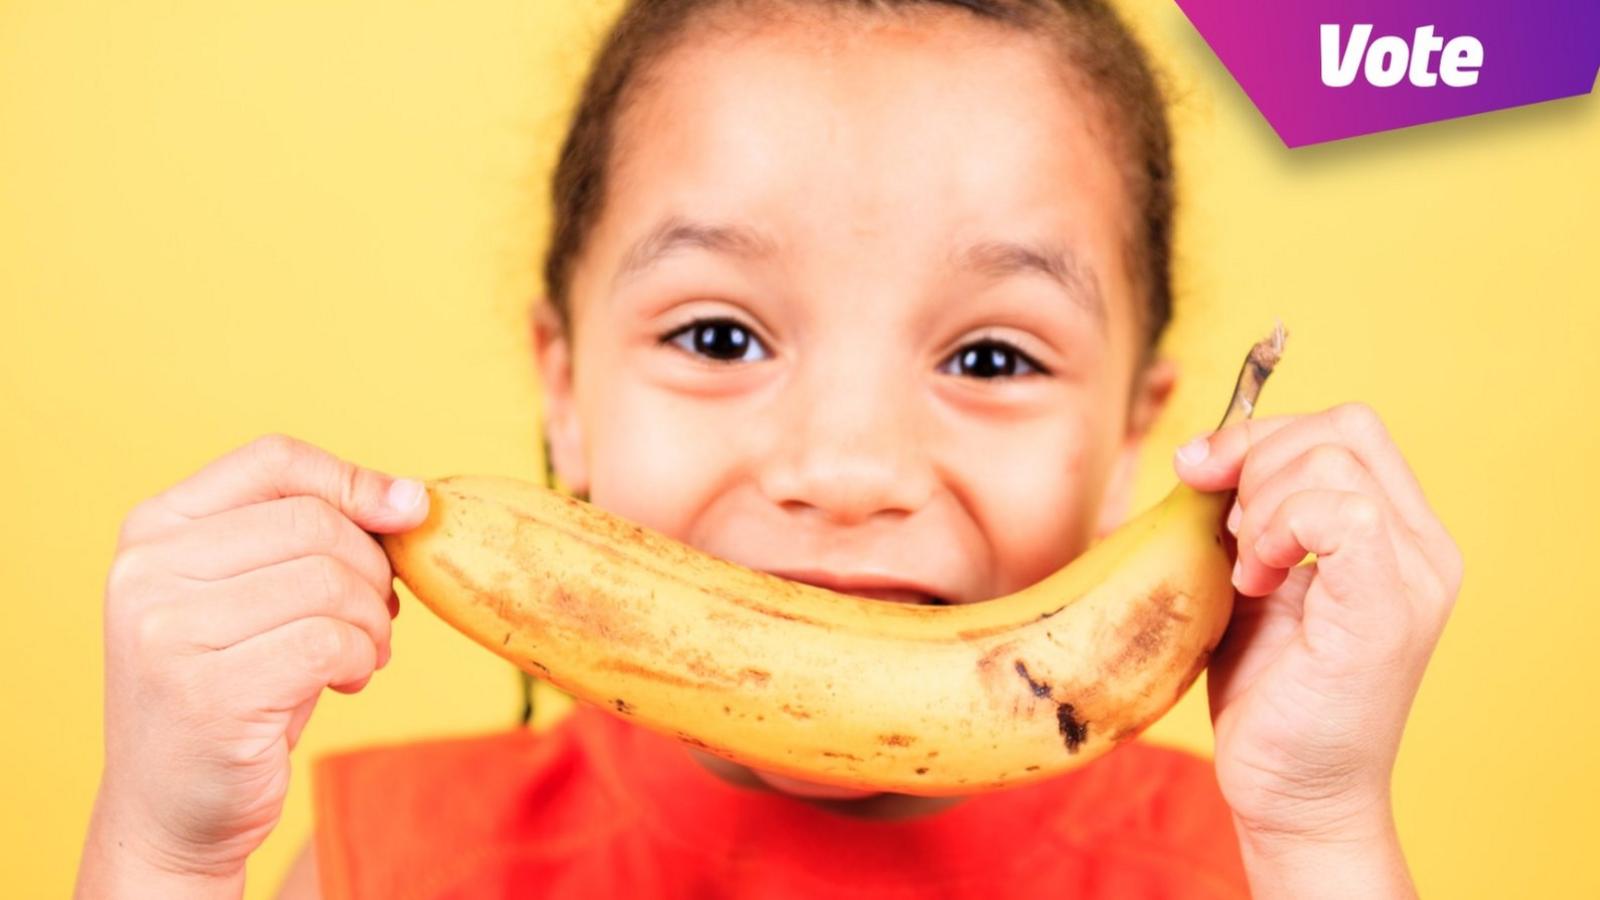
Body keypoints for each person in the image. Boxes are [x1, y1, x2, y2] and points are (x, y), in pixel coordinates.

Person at [75, 1, 1463, 897]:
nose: (846, 468)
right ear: (563, 387)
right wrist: (164, 851)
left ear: (1132, 441)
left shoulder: (1253, 863)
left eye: (991, 358)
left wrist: (1327, 831)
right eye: (722, 338)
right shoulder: (409, 863)